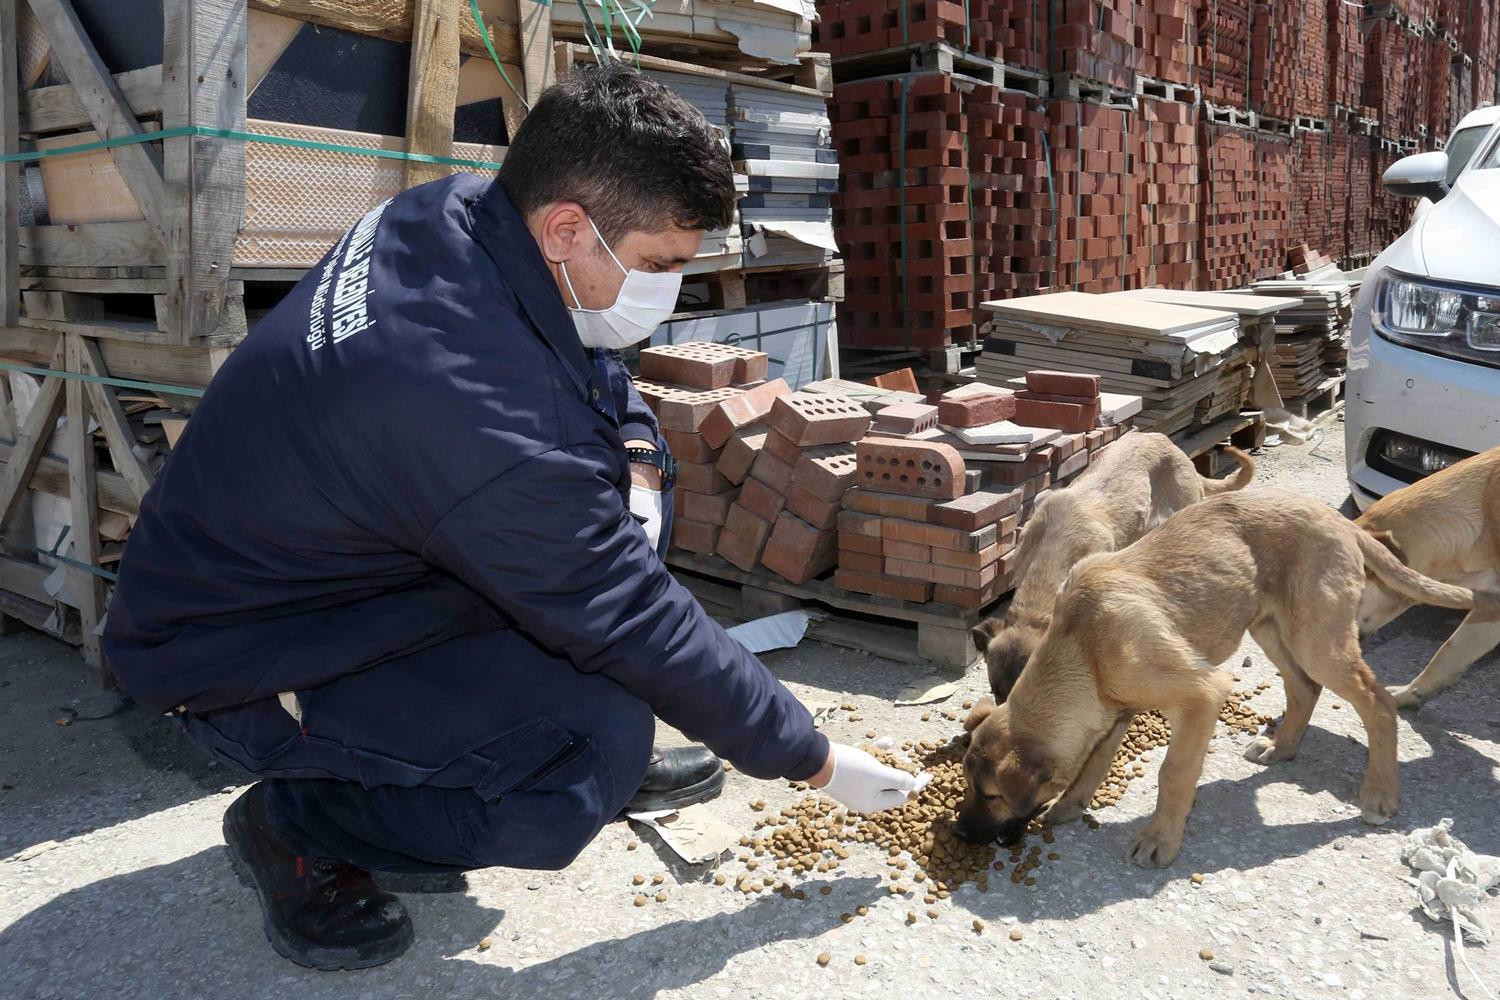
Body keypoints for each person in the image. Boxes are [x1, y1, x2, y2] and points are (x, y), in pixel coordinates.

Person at [103, 64, 923, 971]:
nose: (670, 292)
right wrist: (810, 757)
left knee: (626, 511)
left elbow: (591, 368)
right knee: (579, 772)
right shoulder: (470, 412)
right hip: (243, 654)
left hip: (360, 568)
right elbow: (629, 612)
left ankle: (508, 740)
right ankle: (298, 820)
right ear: (568, 228)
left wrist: (640, 455)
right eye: (660, 265)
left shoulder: (459, 213)